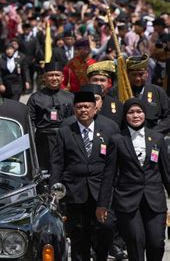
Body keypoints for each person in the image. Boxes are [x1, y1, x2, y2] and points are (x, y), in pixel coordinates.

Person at [96, 98, 170, 261]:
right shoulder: (117, 139)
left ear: (144, 114)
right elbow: (109, 174)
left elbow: (167, 173)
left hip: (154, 200)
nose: (135, 115)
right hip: (127, 200)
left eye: (139, 112)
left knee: (156, 242)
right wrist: (102, 204)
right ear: (125, 116)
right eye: (131, 112)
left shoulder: (157, 138)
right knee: (135, 241)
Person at [50, 91, 119, 261]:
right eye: (79, 107)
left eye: (87, 106)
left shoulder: (109, 129)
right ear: (74, 109)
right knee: (79, 238)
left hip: (101, 191)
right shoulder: (65, 132)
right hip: (75, 192)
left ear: (95, 109)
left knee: (103, 233)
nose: (83, 110)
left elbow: (114, 165)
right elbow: (57, 163)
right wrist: (55, 190)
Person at [27, 62, 74, 171]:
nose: (54, 78)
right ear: (44, 77)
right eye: (51, 75)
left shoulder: (70, 97)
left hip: (64, 139)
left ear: (62, 78)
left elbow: (74, 119)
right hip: (43, 140)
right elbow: (30, 121)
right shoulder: (35, 97)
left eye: (57, 75)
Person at [109, 54, 170, 134]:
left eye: (141, 74)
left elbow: (168, 117)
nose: (137, 78)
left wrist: (153, 133)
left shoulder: (158, 92)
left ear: (147, 73)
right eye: (134, 75)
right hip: (124, 139)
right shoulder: (116, 92)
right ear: (127, 74)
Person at [87, 60, 123, 125]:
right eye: (95, 80)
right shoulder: (79, 103)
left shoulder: (118, 105)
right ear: (88, 82)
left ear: (108, 83)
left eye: (102, 80)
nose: (98, 83)